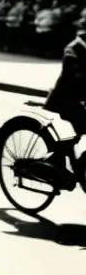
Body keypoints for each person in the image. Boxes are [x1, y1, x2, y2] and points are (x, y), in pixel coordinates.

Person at [41, 13, 86, 188]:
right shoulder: (72, 49)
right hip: (63, 103)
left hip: (79, 102)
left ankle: (77, 163)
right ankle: (75, 164)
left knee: (74, 139)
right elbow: (77, 77)